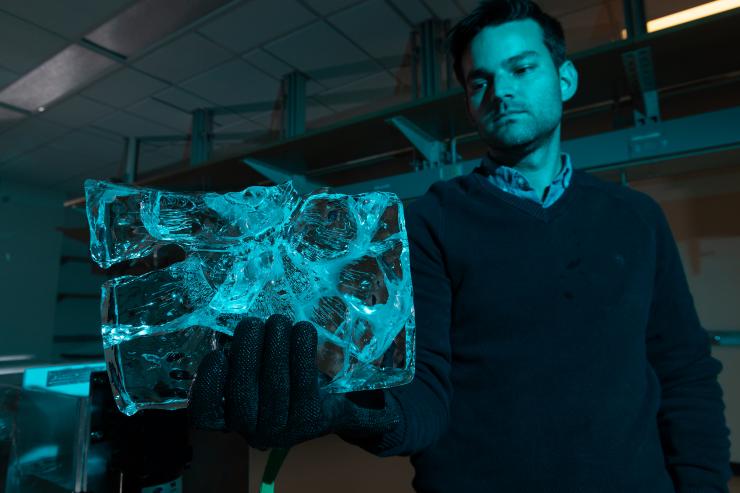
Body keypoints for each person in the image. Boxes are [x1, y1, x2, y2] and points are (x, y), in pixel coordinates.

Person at [189, 1, 732, 491]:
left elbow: (683, 369)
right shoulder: (428, 222)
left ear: (564, 78)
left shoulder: (636, 217)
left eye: (522, 69)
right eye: (480, 82)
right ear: (470, 102)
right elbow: (425, 390)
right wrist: (352, 412)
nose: (502, 92)